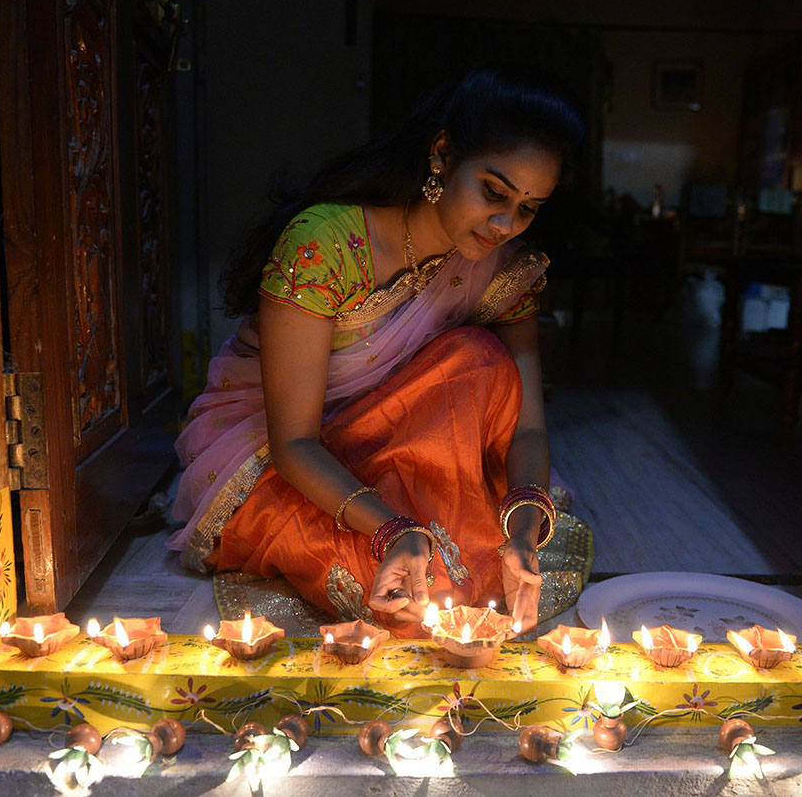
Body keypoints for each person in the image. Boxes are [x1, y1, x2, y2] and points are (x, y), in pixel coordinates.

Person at [168, 68, 590, 637]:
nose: (504, 224)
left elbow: (528, 429)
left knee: (479, 359)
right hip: (279, 453)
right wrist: (394, 529)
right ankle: (403, 530)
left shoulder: (502, 268)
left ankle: (442, 531)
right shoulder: (324, 245)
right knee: (403, 589)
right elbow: (295, 444)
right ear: (442, 154)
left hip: (395, 442)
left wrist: (521, 528)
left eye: (528, 207)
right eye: (494, 191)